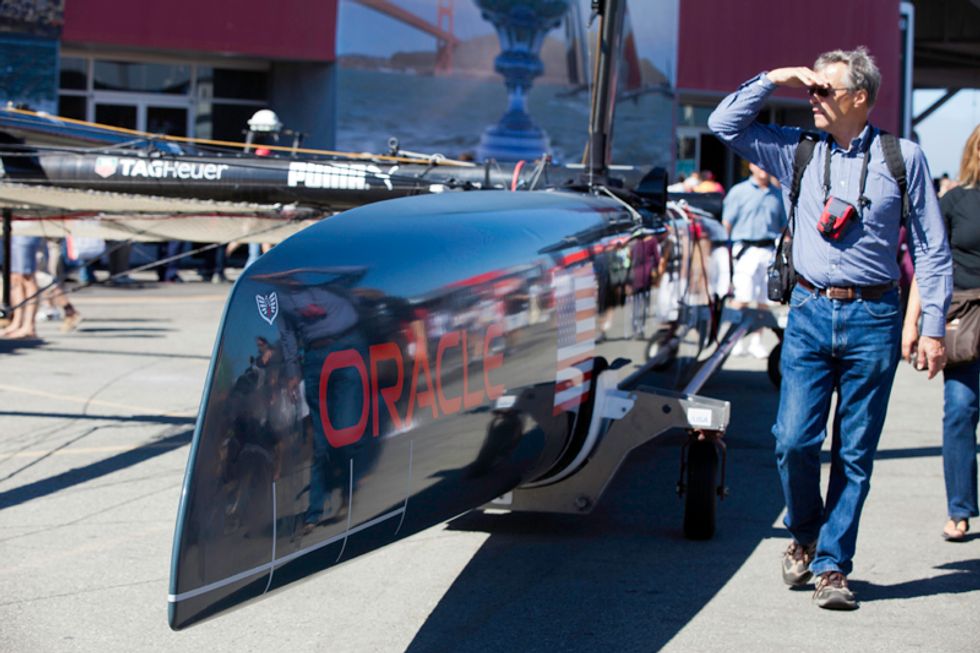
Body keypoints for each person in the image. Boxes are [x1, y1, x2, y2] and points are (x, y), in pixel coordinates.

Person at [708, 47, 952, 610]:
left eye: (824, 90)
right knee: (792, 439)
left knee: (855, 454)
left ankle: (832, 566)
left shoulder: (903, 158)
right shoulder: (795, 149)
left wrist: (933, 327)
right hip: (810, 312)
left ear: (860, 98)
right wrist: (774, 77)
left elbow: (932, 249)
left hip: (875, 317)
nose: (812, 99)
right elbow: (724, 123)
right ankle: (805, 532)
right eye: (810, 90)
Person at [904, 124, 980, 542]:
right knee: (960, 411)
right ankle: (960, 509)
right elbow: (929, 264)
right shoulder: (953, 201)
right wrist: (912, 322)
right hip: (964, 320)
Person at [723, 162, 787, 358]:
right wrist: (724, 252)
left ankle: (756, 341)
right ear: (751, 166)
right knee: (742, 296)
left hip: (768, 250)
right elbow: (727, 223)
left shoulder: (777, 195)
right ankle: (733, 339)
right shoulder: (739, 191)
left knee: (764, 299)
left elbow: (784, 226)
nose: (763, 170)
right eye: (759, 166)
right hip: (746, 249)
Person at [1, 235, 44, 339]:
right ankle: (17, 322)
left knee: (27, 277)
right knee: (15, 277)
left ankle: (29, 325)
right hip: (12, 233)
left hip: (25, 232)